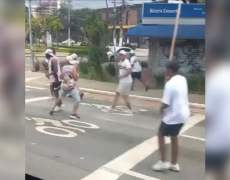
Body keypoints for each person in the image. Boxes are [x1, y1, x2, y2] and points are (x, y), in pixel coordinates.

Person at [152, 61, 190, 172]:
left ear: (170, 70)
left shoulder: (169, 84)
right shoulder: (183, 79)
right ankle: (174, 163)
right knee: (174, 137)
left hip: (173, 116)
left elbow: (166, 103)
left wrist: (160, 110)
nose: (165, 71)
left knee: (160, 134)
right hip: (184, 114)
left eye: (166, 69)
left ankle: (163, 162)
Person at [50, 53, 82, 119]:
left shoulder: (64, 67)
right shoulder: (73, 68)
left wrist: (66, 78)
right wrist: (77, 75)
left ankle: (52, 109)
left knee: (60, 97)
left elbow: (61, 76)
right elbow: (76, 78)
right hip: (70, 86)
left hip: (64, 86)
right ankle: (73, 113)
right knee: (78, 99)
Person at [46, 49, 62, 114]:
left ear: (47, 54)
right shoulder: (52, 59)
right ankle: (59, 105)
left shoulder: (53, 59)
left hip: (56, 79)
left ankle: (58, 106)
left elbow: (55, 70)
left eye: (45, 55)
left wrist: (49, 74)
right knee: (56, 93)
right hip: (55, 79)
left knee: (56, 93)